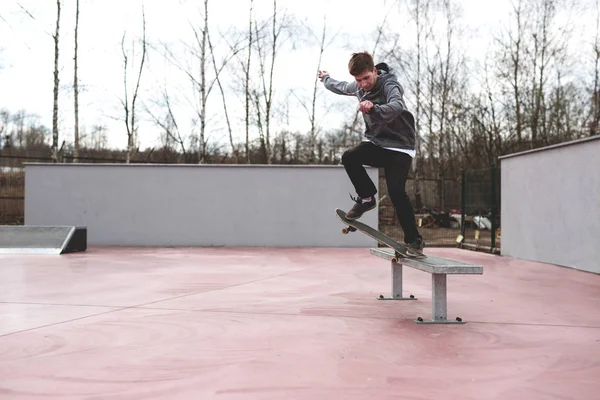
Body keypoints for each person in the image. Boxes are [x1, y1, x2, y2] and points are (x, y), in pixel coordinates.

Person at [318, 51, 424, 255]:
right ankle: (367, 198)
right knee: (350, 157)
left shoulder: (389, 85)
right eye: (359, 80)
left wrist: (374, 108)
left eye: (366, 78)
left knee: (396, 192)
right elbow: (340, 87)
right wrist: (326, 79)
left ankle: (415, 241)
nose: (364, 84)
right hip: (378, 144)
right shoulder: (358, 87)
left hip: (401, 147)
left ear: (374, 71)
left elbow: (396, 106)